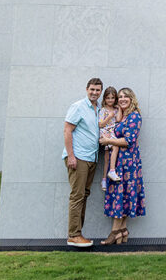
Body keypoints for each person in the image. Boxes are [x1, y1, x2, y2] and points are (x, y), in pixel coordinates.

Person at [99, 87, 146, 244]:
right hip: (118, 161)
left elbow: (128, 141)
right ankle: (122, 230)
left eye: (126, 96)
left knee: (122, 193)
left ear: (132, 98)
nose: (122, 99)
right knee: (122, 194)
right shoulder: (123, 116)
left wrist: (108, 141)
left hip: (129, 163)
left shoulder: (135, 117)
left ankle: (114, 232)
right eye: (120, 97)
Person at [62, 77, 102, 248]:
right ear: (87, 89)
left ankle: (78, 233)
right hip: (79, 158)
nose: (94, 92)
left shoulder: (98, 109)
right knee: (77, 196)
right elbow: (67, 130)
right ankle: (74, 235)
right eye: (92, 89)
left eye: (97, 90)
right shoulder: (78, 106)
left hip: (91, 158)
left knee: (84, 195)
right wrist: (71, 156)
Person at [98, 87, 120, 191]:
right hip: (105, 132)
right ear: (104, 99)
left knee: (107, 157)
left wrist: (119, 108)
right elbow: (101, 124)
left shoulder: (116, 109)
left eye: (112, 98)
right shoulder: (103, 110)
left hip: (112, 132)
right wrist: (109, 116)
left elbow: (119, 119)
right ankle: (110, 171)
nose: (110, 100)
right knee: (114, 147)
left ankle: (104, 179)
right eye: (108, 98)